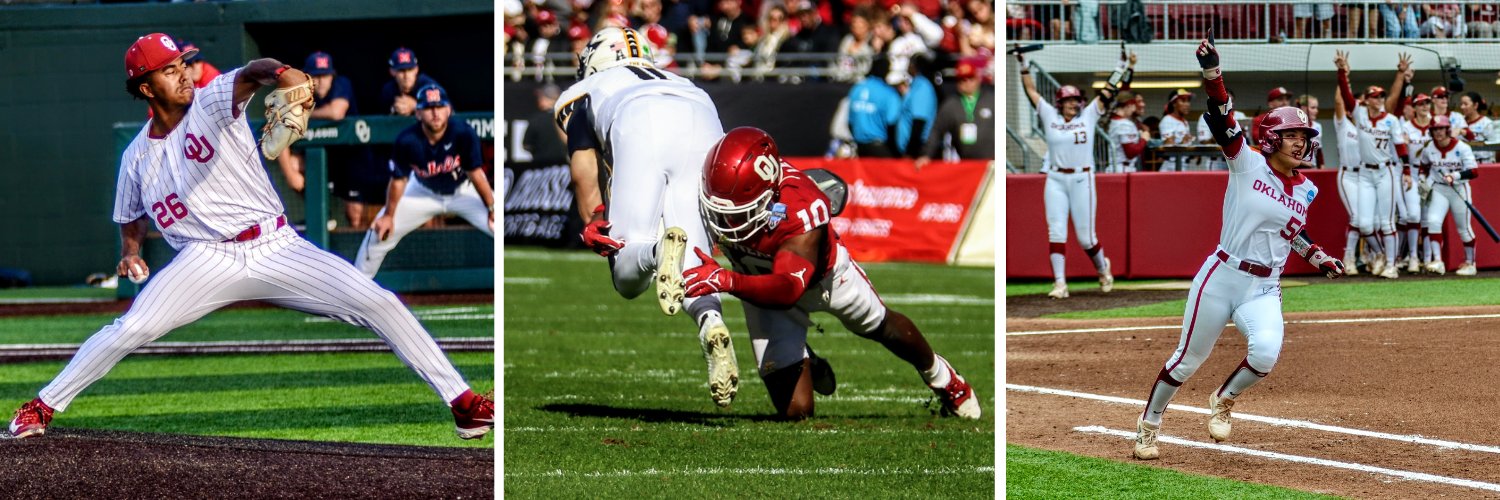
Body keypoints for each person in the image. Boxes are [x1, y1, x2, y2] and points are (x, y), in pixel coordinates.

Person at [7, 33, 492, 440]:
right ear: (144, 85)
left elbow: (254, 70)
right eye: (170, 69)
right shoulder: (136, 157)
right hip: (205, 259)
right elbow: (130, 217)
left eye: (183, 64)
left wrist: (286, 76)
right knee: (132, 328)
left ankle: (464, 404)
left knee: (379, 302)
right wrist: (130, 252)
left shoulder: (213, 100)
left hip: (277, 245)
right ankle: (43, 406)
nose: (183, 74)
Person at [1133, 32, 1346, 461]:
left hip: (1265, 286)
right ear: (1271, 139)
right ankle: (1149, 424)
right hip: (1223, 276)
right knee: (1186, 361)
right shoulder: (1246, 162)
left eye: (1304, 136)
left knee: (1265, 353)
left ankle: (1223, 399)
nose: (1301, 142)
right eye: (1291, 135)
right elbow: (1221, 115)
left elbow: (1290, 232)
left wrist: (1316, 254)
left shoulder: (1307, 190)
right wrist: (1213, 73)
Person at [687, 126, 981, 420]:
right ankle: (808, 361)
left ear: (769, 191)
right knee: (797, 412)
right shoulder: (712, 188)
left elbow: (788, 288)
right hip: (760, 289)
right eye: (720, 208)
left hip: (824, 280)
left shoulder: (801, 208)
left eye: (740, 210)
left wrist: (729, 280)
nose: (727, 220)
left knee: (881, 324)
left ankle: (944, 377)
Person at [553, 27, 738, 408]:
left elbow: (583, 170)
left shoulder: (586, 91)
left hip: (638, 120)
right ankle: (710, 321)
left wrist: (593, 219)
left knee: (626, 272)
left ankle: (656, 252)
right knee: (698, 262)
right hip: (703, 118)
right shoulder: (684, 80)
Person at [355, 84, 495, 277]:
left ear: (448, 110)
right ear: (418, 113)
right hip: (422, 191)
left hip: (463, 191)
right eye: (429, 108)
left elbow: (475, 174)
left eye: (439, 107)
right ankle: (357, 289)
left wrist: (492, 208)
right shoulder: (407, 140)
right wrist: (388, 215)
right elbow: (398, 181)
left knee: (500, 226)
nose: (435, 113)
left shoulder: (463, 132)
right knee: (378, 235)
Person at [1018, 49, 1117, 299]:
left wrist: (1121, 67)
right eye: (1069, 100)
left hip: (1082, 177)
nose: (1074, 103)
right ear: (1060, 102)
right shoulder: (1050, 115)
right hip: (1056, 178)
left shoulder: (1089, 116)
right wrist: (1023, 65)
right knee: (1056, 231)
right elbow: (1031, 92)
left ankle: (1103, 269)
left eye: (1076, 99)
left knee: (1086, 237)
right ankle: (1060, 284)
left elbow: (1107, 92)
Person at [277, 51, 386, 231]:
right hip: (323, 156)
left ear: (331, 75)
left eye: (325, 75)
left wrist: (303, 114)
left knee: (355, 214)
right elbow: (281, 130)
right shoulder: (298, 92)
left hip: (351, 155)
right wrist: (290, 175)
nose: (321, 80)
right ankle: (321, 215)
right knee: (293, 164)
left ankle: (356, 248)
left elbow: (337, 112)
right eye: (316, 75)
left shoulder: (341, 84)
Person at [1336, 51, 1410, 278]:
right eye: (1375, 96)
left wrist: (1406, 171)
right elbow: (1346, 98)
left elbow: (1400, 147)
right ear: (1367, 99)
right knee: (1366, 224)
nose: (1378, 100)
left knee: (1387, 222)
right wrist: (1342, 72)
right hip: (1365, 174)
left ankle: (1391, 265)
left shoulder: (1391, 119)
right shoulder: (1359, 114)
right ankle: (1380, 257)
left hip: (1385, 171)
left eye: (1381, 96)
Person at [1418, 115, 1480, 275]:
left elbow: (1474, 171)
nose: (1439, 132)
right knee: (1433, 221)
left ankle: (1470, 263)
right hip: (1439, 188)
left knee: (1464, 228)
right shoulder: (1429, 147)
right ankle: (1438, 261)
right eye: (1435, 129)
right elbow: (1423, 166)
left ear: (1447, 130)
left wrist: (1455, 176)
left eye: (1441, 128)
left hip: (1459, 189)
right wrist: (1422, 180)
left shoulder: (1462, 147)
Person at [916, 57, 994, 164]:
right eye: (962, 79)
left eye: (970, 78)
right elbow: (936, 131)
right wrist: (926, 155)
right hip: (965, 163)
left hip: (991, 163)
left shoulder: (991, 100)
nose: (966, 83)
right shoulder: (951, 105)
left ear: (977, 78)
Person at [1331, 71, 1366, 275]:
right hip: (1348, 175)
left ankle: (1367, 256)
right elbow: (1338, 102)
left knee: (1368, 220)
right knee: (1357, 217)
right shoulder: (1344, 124)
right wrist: (1343, 76)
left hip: (1366, 176)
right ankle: (1349, 258)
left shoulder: (1368, 126)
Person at [847, 58, 903, 158]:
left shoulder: (857, 88)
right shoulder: (888, 93)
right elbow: (892, 123)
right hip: (880, 147)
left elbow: (850, 121)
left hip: (859, 147)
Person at [893, 59, 938, 158]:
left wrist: (911, 152)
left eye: (910, 63)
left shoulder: (922, 87)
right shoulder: (915, 85)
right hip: (911, 147)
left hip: (918, 149)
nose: (908, 66)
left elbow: (919, 121)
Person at [381, 47, 439, 117]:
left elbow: (449, 112)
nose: (406, 76)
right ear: (392, 72)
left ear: (416, 70)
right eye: (401, 71)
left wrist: (416, 106)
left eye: (410, 70)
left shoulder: (429, 86)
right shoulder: (388, 90)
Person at [521, 83, 569, 165]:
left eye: (541, 97)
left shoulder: (536, 120)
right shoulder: (567, 117)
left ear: (545, 99)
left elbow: (527, 145)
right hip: (564, 169)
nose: (539, 100)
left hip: (542, 170)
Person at [1106, 91, 1146, 173]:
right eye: (1133, 106)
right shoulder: (1124, 124)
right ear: (1129, 105)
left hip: (1117, 167)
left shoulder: (1114, 120)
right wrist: (1144, 139)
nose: (1133, 110)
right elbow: (1130, 152)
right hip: (1123, 169)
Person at [1158, 89, 1194, 172]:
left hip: (1183, 164)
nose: (1187, 104)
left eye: (1188, 101)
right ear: (1174, 103)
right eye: (1183, 101)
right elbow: (1167, 146)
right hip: (1171, 166)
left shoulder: (1184, 121)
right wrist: (1183, 143)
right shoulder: (1167, 120)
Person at [1458, 91, 1496, 163]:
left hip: (1482, 163)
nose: (1462, 107)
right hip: (1461, 163)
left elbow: (1493, 147)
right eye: (1461, 104)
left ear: (1475, 105)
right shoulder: (1458, 121)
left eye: (1465, 104)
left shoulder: (1486, 123)